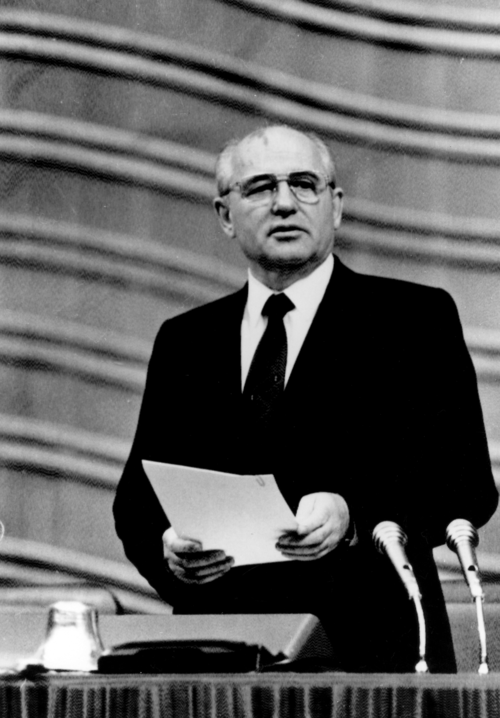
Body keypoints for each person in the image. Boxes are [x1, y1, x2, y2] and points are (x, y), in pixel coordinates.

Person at [113, 125, 498, 673]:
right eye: (261, 187)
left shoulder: (413, 320)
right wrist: (169, 549)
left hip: (373, 658)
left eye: (304, 184)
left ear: (335, 207)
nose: (285, 203)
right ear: (225, 215)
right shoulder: (186, 341)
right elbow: (137, 503)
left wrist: (354, 516)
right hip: (221, 659)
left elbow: (464, 484)